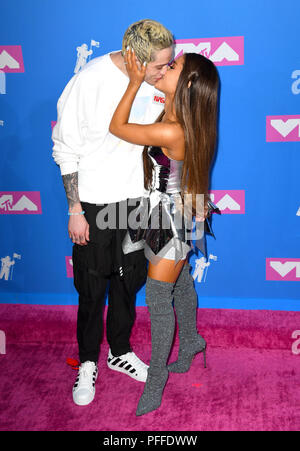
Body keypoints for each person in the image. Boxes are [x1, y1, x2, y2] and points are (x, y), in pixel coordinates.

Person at [52, 19, 174, 406]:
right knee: (91, 290)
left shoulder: (156, 85)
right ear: (136, 59)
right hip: (93, 204)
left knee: (128, 284)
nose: (165, 71)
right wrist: (75, 209)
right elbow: (64, 148)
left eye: (169, 64)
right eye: (159, 65)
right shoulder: (88, 82)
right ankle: (87, 361)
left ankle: (119, 352)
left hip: (136, 204)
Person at [109, 48, 219, 416]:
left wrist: (135, 80)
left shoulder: (173, 127)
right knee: (181, 282)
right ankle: (191, 341)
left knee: (158, 300)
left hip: (168, 219)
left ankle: (155, 383)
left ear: (186, 82)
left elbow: (118, 127)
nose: (164, 68)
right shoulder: (176, 114)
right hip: (166, 211)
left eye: (172, 66)